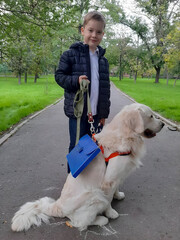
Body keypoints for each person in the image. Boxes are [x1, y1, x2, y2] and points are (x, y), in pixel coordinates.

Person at [55, 11, 111, 157]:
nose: (94, 35)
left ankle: (89, 177)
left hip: (96, 114)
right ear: (82, 30)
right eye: (90, 30)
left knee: (93, 147)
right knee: (77, 147)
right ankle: (73, 178)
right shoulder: (70, 55)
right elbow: (59, 76)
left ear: (103, 34)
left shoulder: (103, 61)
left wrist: (104, 114)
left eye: (98, 32)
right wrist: (76, 81)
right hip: (78, 113)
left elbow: (105, 90)